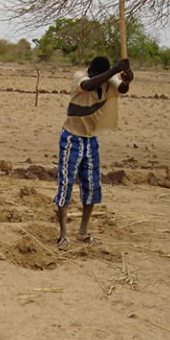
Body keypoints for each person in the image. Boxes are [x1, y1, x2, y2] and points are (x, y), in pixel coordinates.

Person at [54, 56, 134, 245]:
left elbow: (122, 88)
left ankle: (83, 231)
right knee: (65, 184)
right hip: (72, 137)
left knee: (91, 186)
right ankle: (63, 234)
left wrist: (127, 80)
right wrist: (115, 70)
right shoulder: (80, 77)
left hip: (91, 139)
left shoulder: (108, 81)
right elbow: (89, 85)